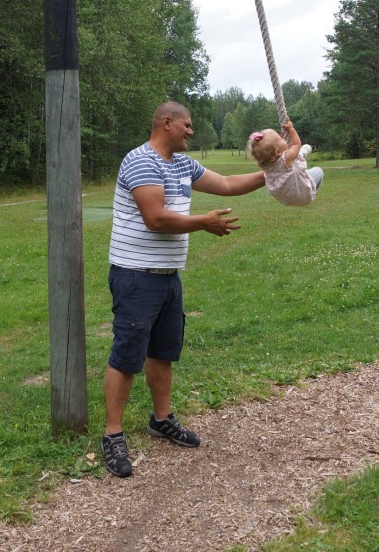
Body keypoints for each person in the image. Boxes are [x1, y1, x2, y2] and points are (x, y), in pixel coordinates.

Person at [102, 100, 266, 478]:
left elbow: (225, 184)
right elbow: (155, 218)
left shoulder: (182, 164)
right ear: (166, 122)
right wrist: (203, 223)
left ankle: (161, 420)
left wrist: (273, 171)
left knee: (162, 352)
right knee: (127, 353)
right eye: (187, 125)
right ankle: (112, 434)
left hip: (167, 276)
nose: (192, 131)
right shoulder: (142, 160)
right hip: (135, 275)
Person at [246, 120, 323, 207]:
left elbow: (279, 149)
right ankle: (313, 191)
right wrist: (291, 129)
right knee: (319, 171)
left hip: (288, 199)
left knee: (294, 161)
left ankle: (303, 153)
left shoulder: (266, 166)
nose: (283, 139)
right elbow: (297, 144)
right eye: (280, 139)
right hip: (304, 195)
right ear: (277, 151)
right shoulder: (286, 159)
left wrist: (282, 135)